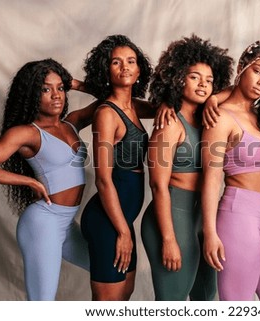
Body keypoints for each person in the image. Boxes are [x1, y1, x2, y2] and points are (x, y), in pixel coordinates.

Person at [0, 58, 98, 300]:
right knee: (41, 303)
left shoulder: (72, 124)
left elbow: (109, 98)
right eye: (45, 89)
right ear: (31, 93)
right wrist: (29, 181)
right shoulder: (26, 133)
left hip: (67, 225)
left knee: (108, 271)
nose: (56, 95)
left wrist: (75, 83)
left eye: (60, 88)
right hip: (43, 224)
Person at [140, 34, 233, 300]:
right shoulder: (170, 123)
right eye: (194, 77)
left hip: (203, 218)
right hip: (172, 217)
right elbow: (157, 185)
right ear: (178, 77)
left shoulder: (209, 118)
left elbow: (245, 90)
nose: (204, 85)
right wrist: (168, 239)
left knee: (206, 298)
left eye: (210, 80)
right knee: (173, 302)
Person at [201, 40, 260, 301]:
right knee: (237, 306)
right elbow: (212, 177)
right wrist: (210, 232)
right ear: (241, 67)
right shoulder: (221, 117)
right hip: (237, 219)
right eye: (257, 71)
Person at [79, 34, 162, 301]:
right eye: (116, 62)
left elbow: (169, 106)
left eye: (130, 61)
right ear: (106, 70)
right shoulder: (106, 114)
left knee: (124, 296)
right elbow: (103, 180)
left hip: (123, 221)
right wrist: (124, 232)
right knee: (107, 304)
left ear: (139, 70)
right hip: (108, 222)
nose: (124, 66)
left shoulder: (134, 107)